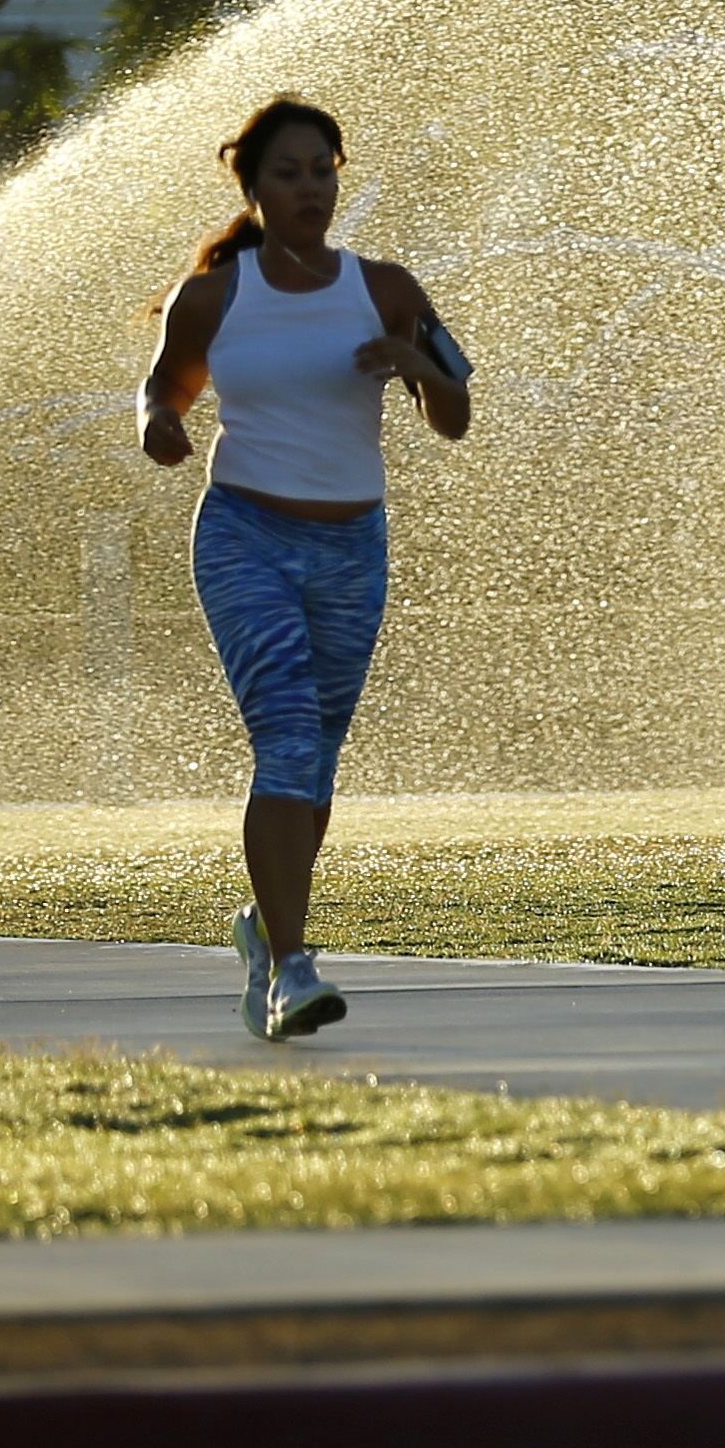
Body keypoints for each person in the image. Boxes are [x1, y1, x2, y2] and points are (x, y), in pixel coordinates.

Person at [140, 98, 469, 1040]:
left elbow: (455, 413)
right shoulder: (214, 296)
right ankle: (291, 967)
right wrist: (160, 426)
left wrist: (417, 361)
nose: (310, 188)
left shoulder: (388, 287)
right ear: (251, 186)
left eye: (323, 170)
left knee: (316, 755)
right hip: (246, 535)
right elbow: (163, 391)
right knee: (286, 738)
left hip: (352, 546)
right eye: (288, 173)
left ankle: (263, 929)